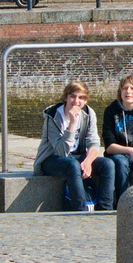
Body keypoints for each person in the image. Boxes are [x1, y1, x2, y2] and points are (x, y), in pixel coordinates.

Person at [34, 81, 109, 211]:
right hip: (51, 158)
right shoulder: (52, 116)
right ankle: (80, 210)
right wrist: (72, 124)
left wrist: (88, 161)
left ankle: (105, 210)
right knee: (72, 165)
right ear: (66, 98)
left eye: (81, 98)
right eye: (73, 96)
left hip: (77, 156)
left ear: (85, 100)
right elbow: (61, 151)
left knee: (108, 164)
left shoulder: (89, 114)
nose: (76, 101)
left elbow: (94, 142)